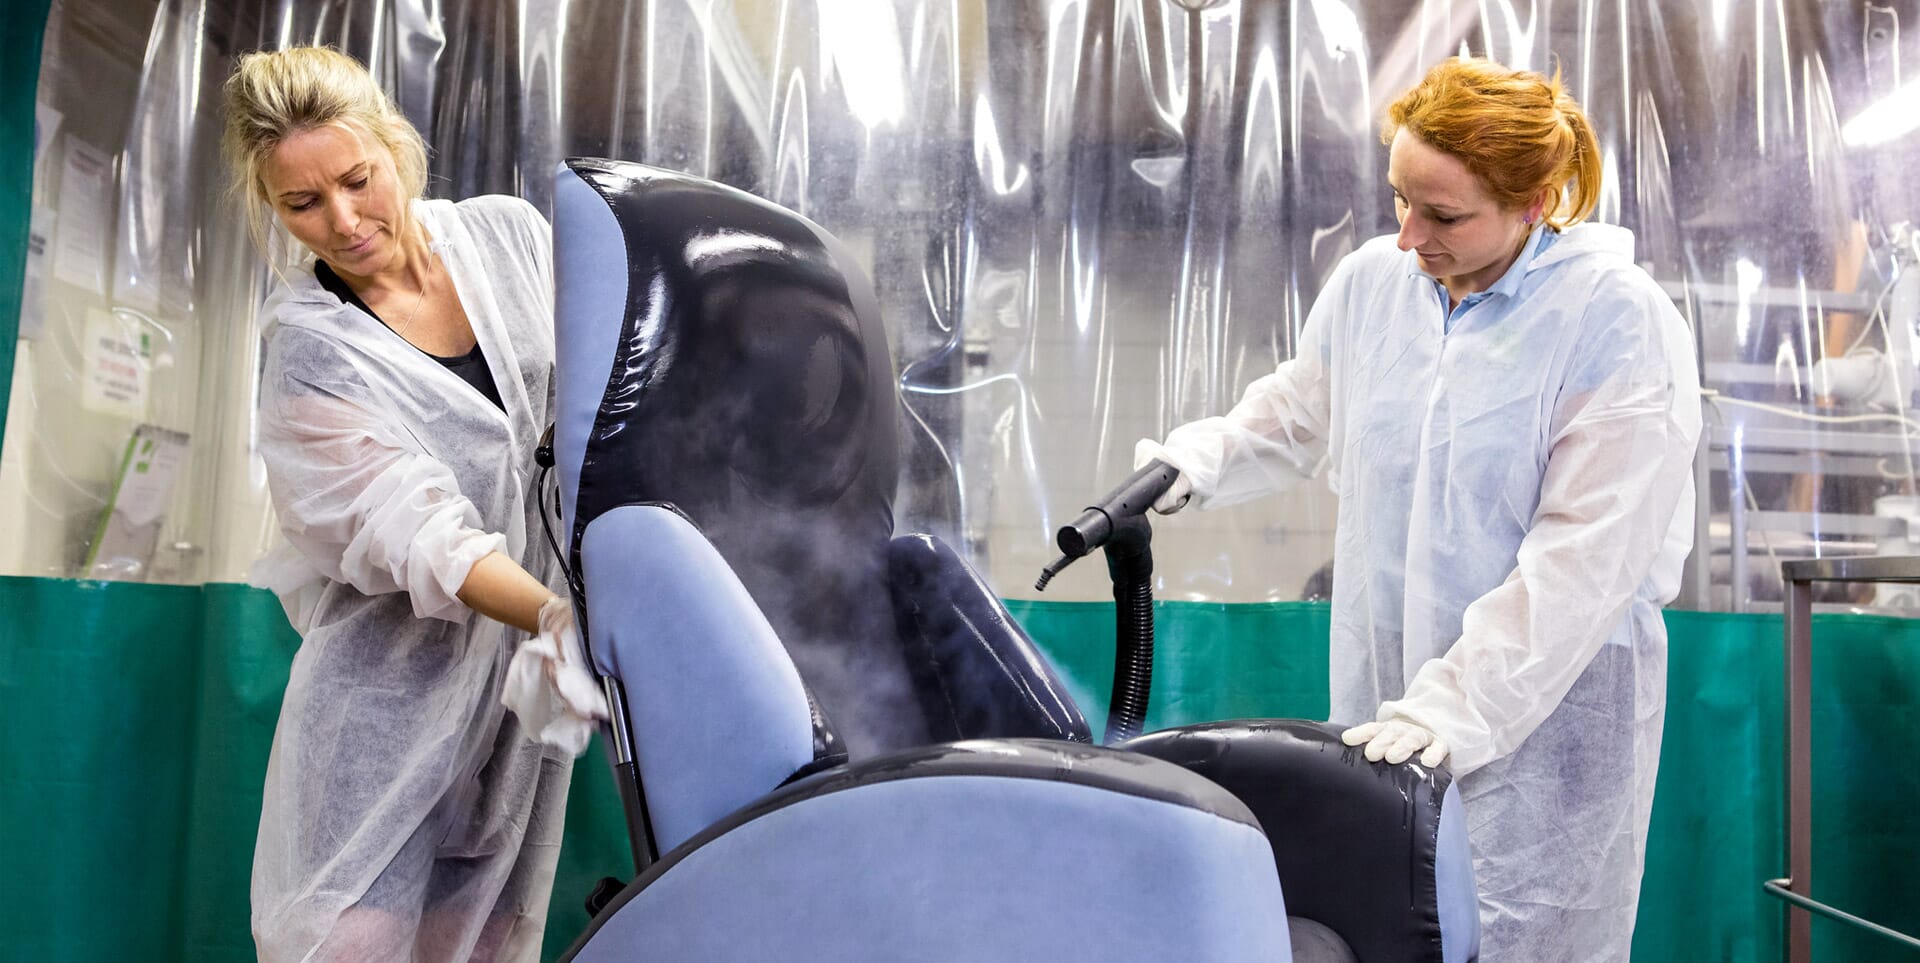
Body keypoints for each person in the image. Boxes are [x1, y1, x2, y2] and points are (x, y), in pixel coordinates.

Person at [1137, 56, 1701, 960]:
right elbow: (1300, 406)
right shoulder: (1375, 284)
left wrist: (1451, 711)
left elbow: (1580, 568)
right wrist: (1195, 459)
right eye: (1398, 198)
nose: (1408, 235)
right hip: (1387, 709)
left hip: (1540, 744)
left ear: (1536, 201)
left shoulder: (1613, 321)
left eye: (1442, 215)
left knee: (1519, 938)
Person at [223, 46, 599, 962]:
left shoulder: (509, 241)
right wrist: (560, 614)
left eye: (358, 179)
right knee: (351, 942)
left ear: (397, 146)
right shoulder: (313, 355)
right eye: (301, 204)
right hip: (384, 711)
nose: (345, 222)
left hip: (514, 713)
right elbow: (424, 535)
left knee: (480, 941)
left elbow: (606, 404)